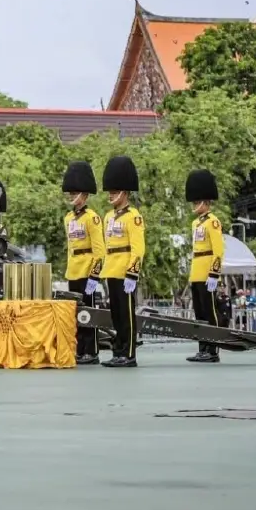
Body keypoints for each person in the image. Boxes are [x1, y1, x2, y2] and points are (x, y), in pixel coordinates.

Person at [100, 155, 145, 368]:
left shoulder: (133, 216)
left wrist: (132, 273)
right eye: (110, 192)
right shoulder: (108, 217)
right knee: (116, 315)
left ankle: (129, 354)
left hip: (125, 270)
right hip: (111, 268)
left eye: (115, 192)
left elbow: (138, 248)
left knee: (127, 316)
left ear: (125, 193)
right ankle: (118, 351)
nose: (111, 196)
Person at [61, 160, 105, 365]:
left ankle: (92, 350)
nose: (72, 196)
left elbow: (99, 250)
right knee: (76, 313)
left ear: (85, 195)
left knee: (90, 312)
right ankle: (79, 349)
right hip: (74, 269)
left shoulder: (92, 218)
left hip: (88, 268)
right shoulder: (68, 218)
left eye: (76, 193)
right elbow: (70, 247)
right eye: (71, 193)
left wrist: (94, 276)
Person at [185, 169, 226, 363]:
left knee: (210, 313)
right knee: (200, 315)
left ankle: (213, 349)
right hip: (196, 271)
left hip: (207, 271)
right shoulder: (195, 224)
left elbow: (218, 250)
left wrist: (214, 273)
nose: (195, 205)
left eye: (197, 201)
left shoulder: (213, 222)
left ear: (206, 202)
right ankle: (203, 348)